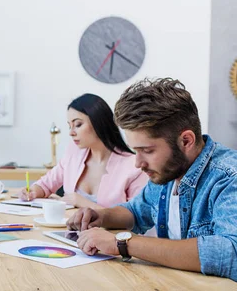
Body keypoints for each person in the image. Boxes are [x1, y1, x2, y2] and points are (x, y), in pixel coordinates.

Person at [67, 78, 237, 281]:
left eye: (147, 151)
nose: (138, 163)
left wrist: (123, 243)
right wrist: (101, 216)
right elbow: (136, 212)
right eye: (135, 151)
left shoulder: (228, 176)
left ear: (186, 141)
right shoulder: (169, 170)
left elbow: (231, 252)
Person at [19, 94, 147, 208]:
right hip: (70, 232)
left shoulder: (134, 167)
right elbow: (45, 185)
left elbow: (136, 219)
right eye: (70, 126)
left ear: (99, 122)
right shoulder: (74, 154)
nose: (71, 132)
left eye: (78, 125)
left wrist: (82, 203)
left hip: (111, 235)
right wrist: (34, 191)